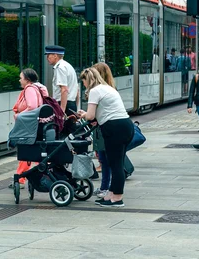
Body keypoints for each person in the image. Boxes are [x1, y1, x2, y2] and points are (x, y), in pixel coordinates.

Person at [77, 68, 134, 208]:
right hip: (125, 125)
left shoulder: (95, 91)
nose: (83, 85)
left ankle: (117, 198)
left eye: (83, 81)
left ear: (88, 80)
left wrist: (83, 114)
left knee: (115, 164)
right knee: (116, 162)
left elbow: (90, 116)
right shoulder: (108, 88)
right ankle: (111, 194)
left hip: (114, 129)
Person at [10, 68, 48, 188]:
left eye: (21, 78)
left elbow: (32, 106)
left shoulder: (30, 89)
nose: (20, 80)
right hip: (38, 125)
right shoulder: (40, 87)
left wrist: (19, 116)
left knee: (26, 150)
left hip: (30, 126)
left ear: (27, 79)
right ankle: (40, 175)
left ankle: (22, 178)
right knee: (36, 152)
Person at [91, 62, 115, 201]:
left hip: (103, 129)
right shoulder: (110, 88)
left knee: (105, 160)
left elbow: (94, 114)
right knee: (104, 159)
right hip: (104, 128)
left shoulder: (99, 90)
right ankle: (105, 186)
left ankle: (107, 188)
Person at [45, 45, 78, 114]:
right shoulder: (68, 66)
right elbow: (77, 90)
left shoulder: (60, 68)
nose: (47, 58)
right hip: (71, 103)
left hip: (64, 104)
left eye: (48, 55)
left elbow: (64, 89)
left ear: (55, 55)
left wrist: (61, 111)